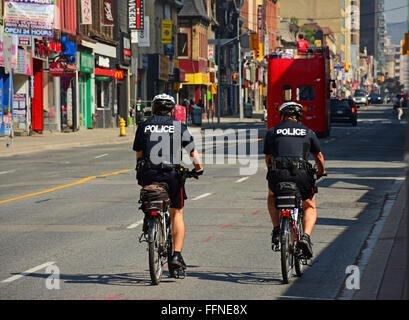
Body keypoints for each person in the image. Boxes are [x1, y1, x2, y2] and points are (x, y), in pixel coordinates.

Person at [133, 93, 204, 272]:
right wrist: (198, 168)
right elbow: (192, 152)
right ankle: (177, 255)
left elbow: (139, 154)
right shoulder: (179, 126)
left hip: (148, 173)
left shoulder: (144, 125)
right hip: (172, 174)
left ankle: (150, 221)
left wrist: (140, 172)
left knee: (150, 194)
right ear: (172, 110)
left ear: (154, 108)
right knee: (177, 213)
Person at [263, 102, 326, 259]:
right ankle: (305, 237)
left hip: (278, 174)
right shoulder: (308, 132)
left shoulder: (272, 132)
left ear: (282, 116)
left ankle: (277, 229)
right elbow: (318, 156)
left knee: (272, 196)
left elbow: (268, 158)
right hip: (302, 174)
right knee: (309, 205)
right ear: (298, 116)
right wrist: (321, 171)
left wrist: (272, 171)